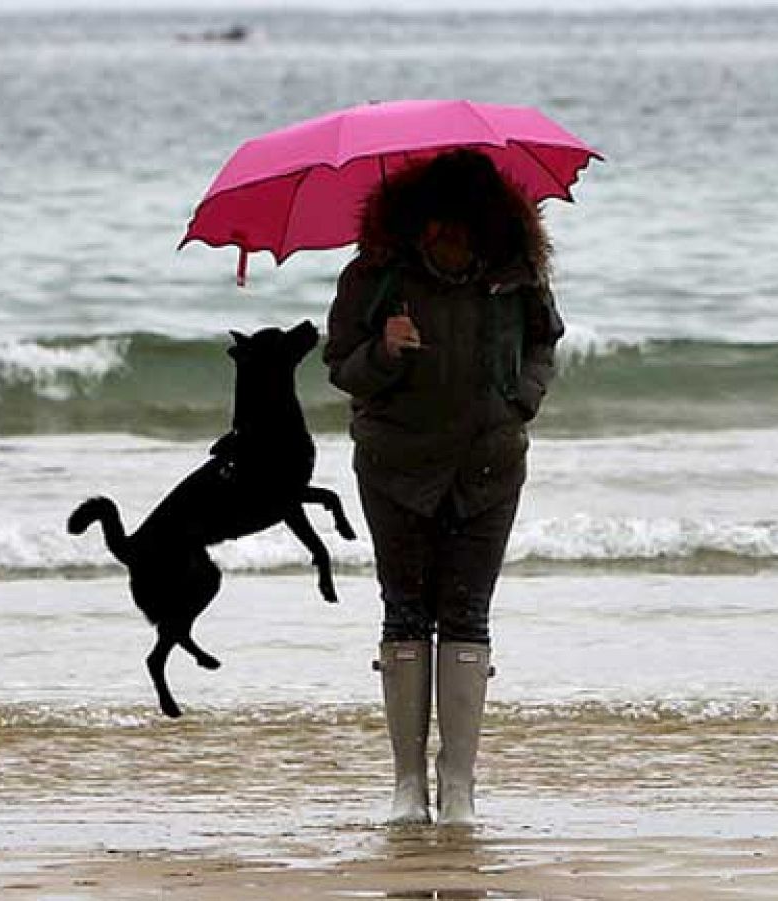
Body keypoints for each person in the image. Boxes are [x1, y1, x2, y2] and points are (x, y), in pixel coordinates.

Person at [323, 149, 564, 826]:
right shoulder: (375, 274)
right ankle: (407, 784)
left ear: (489, 223)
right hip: (395, 465)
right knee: (404, 613)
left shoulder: (517, 274)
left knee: (467, 614)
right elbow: (341, 365)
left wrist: (520, 400)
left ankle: (458, 784)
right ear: (419, 221)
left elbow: (545, 344)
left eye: (463, 227)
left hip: (490, 466)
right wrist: (384, 350)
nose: (449, 240)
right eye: (438, 226)